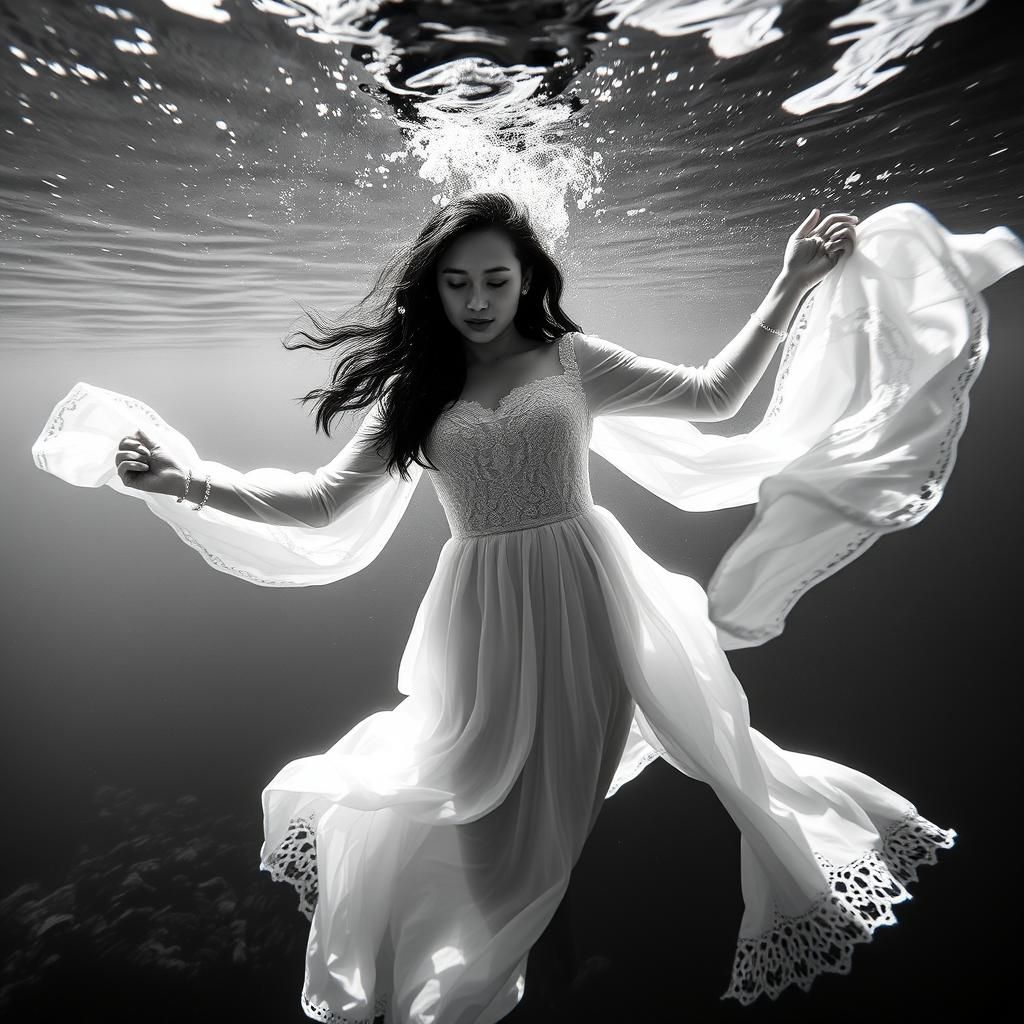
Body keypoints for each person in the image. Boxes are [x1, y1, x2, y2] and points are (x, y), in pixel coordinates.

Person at [32, 192, 1024, 1023]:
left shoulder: (571, 359)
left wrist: (790, 281)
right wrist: (184, 480)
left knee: (558, 828)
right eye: (456, 282)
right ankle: (446, 994)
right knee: (467, 816)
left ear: (528, 277)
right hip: (477, 623)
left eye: (495, 280)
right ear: (432, 286)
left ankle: (497, 983)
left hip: (591, 598)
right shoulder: (418, 389)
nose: (475, 300)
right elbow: (322, 499)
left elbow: (718, 398)